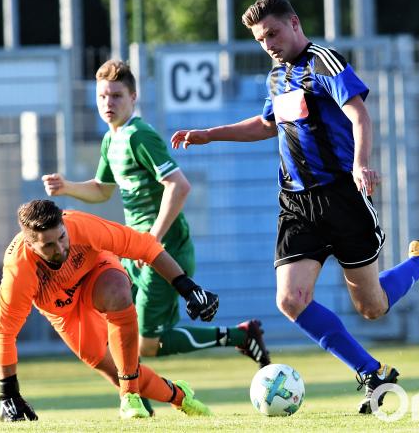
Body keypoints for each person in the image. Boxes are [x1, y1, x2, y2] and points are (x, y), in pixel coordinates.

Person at [170, 0, 419, 415]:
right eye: (260, 38)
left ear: (294, 23)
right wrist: (209, 134)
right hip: (297, 205)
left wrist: (361, 165)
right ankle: (372, 374)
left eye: (273, 33)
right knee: (290, 300)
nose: (268, 43)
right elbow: (267, 124)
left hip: (343, 198)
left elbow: (359, 114)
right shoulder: (276, 75)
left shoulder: (325, 62)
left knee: (372, 307)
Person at [42, 60, 271, 372]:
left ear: (134, 97)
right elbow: (102, 189)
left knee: (147, 343)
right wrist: (67, 186)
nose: (108, 103)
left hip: (164, 252)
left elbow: (179, 185)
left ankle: (240, 337)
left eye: (117, 96)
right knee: (120, 328)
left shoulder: (139, 135)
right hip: (133, 251)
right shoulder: (112, 139)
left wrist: (153, 239)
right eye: (102, 96)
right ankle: (136, 400)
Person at [0, 199, 218, 421]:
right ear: (30, 245)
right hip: (65, 313)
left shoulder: (81, 225)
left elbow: (146, 246)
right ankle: (180, 396)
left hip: (97, 274)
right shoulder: (18, 271)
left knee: (118, 292)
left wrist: (188, 288)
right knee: (115, 369)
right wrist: (8, 393)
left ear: (64, 227)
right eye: (48, 245)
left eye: (61, 237)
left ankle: (129, 396)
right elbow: (3, 331)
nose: (60, 248)